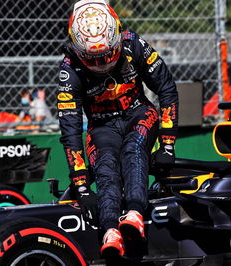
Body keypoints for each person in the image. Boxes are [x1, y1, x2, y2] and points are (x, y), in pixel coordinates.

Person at [57, 0, 178, 258]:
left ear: (117, 33)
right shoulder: (69, 71)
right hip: (102, 125)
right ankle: (111, 231)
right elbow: (70, 130)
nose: (102, 63)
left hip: (139, 113)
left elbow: (166, 88)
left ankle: (134, 214)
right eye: (93, 58)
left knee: (133, 149)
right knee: (107, 165)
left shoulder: (134, 44)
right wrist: (81, 187)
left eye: (107, 54)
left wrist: (168, 143)